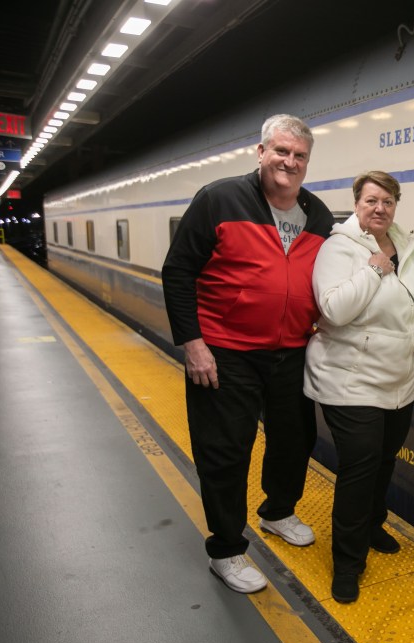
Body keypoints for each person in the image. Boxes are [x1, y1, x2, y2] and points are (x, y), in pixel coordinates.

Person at [161, 114, 334, 594]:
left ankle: (278, 511)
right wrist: (193, 345)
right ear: (260, 153)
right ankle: (227, 549)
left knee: (294, 439)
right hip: (225, 350)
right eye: (280, 151)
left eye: (299, 156)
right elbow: (177, 272)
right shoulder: (218, 199)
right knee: (226, 449)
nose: (289, 162)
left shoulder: (318, 214)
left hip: (292, 349)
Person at [304, 170, 414, 604]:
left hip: (400, 381)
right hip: (351, 381)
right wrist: (373, 270)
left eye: (387, 201)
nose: (379, 208)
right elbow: (334, 309)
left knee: (384, 460)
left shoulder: (404, 245)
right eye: (371, 201)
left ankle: (372, 524)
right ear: (357, 203)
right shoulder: (338, 248)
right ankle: (347, 563)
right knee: (359, 469)